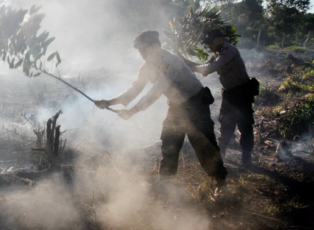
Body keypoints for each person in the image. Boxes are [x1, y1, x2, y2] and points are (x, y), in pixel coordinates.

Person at [94, 30, 227, 193]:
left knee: (203, 143)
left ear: (156, 46)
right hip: (176, 106)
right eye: (140, 51)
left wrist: (132, 112)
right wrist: (109, 102)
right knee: (169, 142)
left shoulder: (171, 61)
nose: (141, 54)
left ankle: (219, 182)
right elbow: (135, 89)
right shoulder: (147, 66)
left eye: (144, 50)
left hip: (196, 103)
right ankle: (165, 184)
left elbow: (156, 91)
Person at [182, 29, 254, 167]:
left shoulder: (229, 51)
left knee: (245, 125)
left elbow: (209, 68)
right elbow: (206, 66)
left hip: (242, 93)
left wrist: (189, 65)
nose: (208, 46)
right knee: (226, 124)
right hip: (229, 94)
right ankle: (221, 156)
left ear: (220, 40)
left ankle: (246, 158)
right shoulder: (217, 53)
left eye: (210, 42)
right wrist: (186, 63)